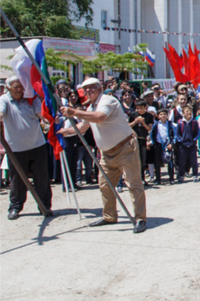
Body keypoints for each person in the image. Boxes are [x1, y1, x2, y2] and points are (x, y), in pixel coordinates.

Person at [58, 78, 146, 233]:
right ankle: (109, 215)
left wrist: (74, 112)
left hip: (125, 149)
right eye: (86, 89)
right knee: (105, 185)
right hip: (106, 154)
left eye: (92, 87)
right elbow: (83, 126)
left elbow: (99, 117)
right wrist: (64, 132)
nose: (89, 91)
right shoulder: (92, 106)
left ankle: (140, 218)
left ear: (100, 88)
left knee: (133, 184)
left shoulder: (107, 100)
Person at [0, 76, 52, 220]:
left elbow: (40, 114)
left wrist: (49, 119)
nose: (19, 90)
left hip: (37, 145)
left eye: (21, 86)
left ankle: (45, 206)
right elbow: (1, 112)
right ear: (8, 88)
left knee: (42, 178)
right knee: (17, 181)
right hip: (16, 149)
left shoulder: (31, 97)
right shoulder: (4, 100)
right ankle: (15, 207)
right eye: (16, 87)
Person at [128, 99, 154, 185]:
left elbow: (149, 128)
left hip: (143, 139)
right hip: (134, 139)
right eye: (137, 108)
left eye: (141, 108)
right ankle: (134, 179)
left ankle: (142, 178)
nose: (139, 110)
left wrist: (143, 123)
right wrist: (135, 121)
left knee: (142, 160)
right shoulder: (133, 114)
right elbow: (128, 126)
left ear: (145, 107)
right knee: (134, 160)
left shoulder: (149, 116)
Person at [149, 109, 175, 185]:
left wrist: (172, 143)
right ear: (158, 116)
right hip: (158, 144)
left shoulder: (170, 124)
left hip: (167, 144)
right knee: (157, 163)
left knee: (170, 161)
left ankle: (171, 178)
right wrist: (154, 143)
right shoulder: (156, 124)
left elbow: (174, 134)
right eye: (161, 114)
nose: (163, 116)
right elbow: (152, 134)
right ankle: (158, 179)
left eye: (164, 114)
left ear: (167, 115)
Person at [176, 106, 200, 182]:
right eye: (187, 111)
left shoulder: (194, 122)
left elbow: (197, 133)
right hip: (183, 145)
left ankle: (195, 174)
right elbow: (177, 134)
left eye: (190, 111)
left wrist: (193, 140)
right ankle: (181, 175)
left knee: (193, 161)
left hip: (192, 145)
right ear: (183, 113)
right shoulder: (180, 122)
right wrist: (181, 141)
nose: (189, 112)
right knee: (182, 161)